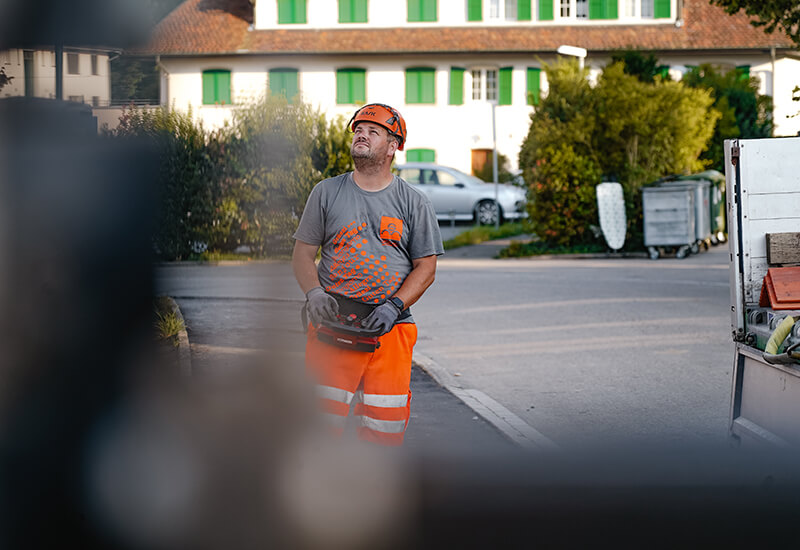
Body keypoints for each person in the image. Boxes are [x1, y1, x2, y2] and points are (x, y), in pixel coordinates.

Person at [292, 103, 443, 446]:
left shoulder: (414, 202)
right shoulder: (326, 192)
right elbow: (302, 255)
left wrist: (393, 306)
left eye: (373, 131)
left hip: (389, 330)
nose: (362, 134)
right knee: (319, 427)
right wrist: (314, 294)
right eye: (359, 129)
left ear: (393, 147)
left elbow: (427, 267)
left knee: (383, 429)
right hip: (333, 324)